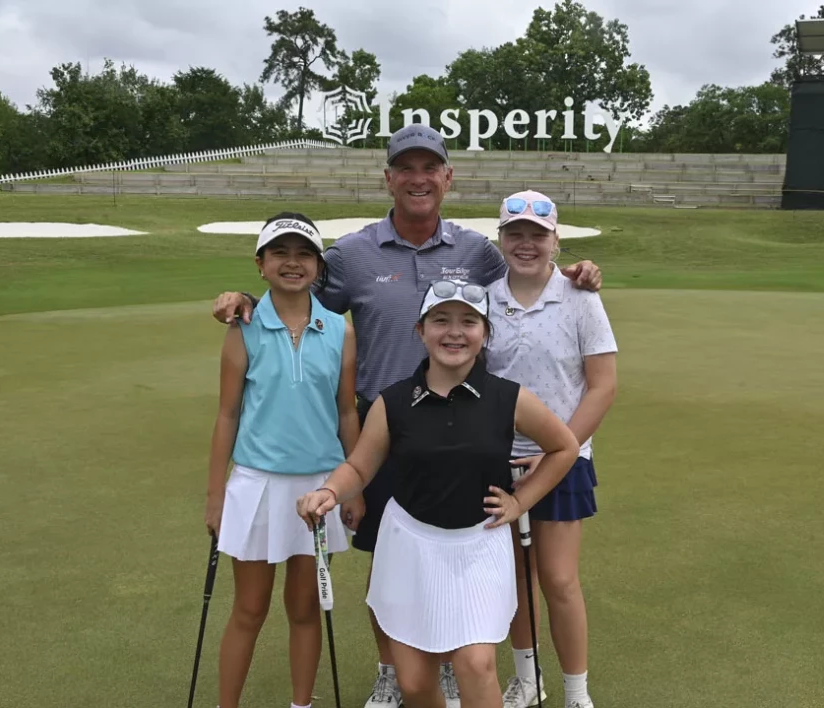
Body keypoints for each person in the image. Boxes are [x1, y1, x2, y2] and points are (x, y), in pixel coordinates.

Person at [211, 124, 603, 708]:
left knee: (459, 540)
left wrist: (575, 275)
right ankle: (394, 669)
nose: (418, 178)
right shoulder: (351, 255)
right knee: (391, 555)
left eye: (430, 168)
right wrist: (242, 299)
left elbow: (525, 276)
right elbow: (295, 290)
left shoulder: (478, 252)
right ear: (389, 177)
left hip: (470, 422)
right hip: (386, 419)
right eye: (405, 168)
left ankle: (448, 665)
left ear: (447, 177)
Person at [295, 279, 582, 708]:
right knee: (413, 681)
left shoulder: (508, 397)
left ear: (485, 334)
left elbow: (565, 447)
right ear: (421, 330)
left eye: (469, 322)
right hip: (409, 545)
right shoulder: (392, 402)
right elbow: (359, 465)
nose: (454, 332)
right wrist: (330, 491)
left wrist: (521, 500)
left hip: (479, 545)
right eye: (440, 320)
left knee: (476, 665)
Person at [205, 213, 359, 708]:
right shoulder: (243, 329)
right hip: (255, 484)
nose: (292, 263)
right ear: (260, 264)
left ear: (318, 265)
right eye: (280, 253)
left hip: (319, 484)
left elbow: (346, 411)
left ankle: (301, 704)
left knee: (305, 607)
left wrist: (352, 487)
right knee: (249, 609)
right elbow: (227, 415)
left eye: (304, 254)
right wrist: (215, 496)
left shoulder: (339, 330)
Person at [486, 192, 618, 708]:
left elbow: (602, 385)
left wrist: (559, 448)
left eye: (537, 236)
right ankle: (526, 677)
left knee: (559, 581)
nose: (525, 244)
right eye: (514, 234)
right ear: (500, 240)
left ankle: (576, 692)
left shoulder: (580, 296)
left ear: (555, 241)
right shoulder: (484, 297)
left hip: (565, 458)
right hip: (499, 460)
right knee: (516, 581)